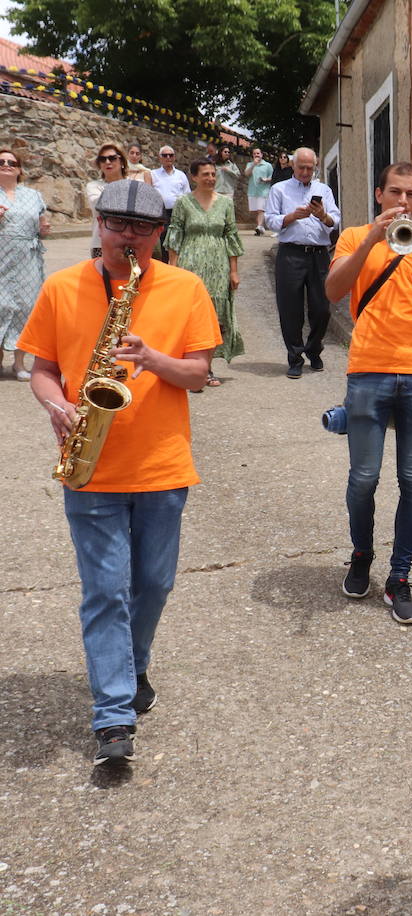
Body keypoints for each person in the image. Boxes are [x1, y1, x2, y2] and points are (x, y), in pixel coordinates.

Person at [18, 179, 220, 766]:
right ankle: (112, 714)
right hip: (92, 467)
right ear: (97, 224)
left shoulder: (186, 288)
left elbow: (199, 374)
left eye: (139, 228)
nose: (124, 237)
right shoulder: (61, 287)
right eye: (114, 224)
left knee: (152, 585)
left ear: (159, 233)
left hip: (162, 465)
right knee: (106, 590)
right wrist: (56, 405)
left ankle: (134, 668)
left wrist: (153, 358)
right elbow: (43, 369)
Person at [326, 162, 412, 624]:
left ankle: (399, 577)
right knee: (363, 477)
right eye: (396, 193)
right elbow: (334, 290)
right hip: (367, 370)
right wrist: (369, 241)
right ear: (379, 194)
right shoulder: (352, 237)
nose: (404, 202)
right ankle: (362, 554)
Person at [166, 158, 245, 386]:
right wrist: (173, 267)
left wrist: (233, 271)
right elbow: (175, 234)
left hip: (218, 268)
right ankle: (189, 368)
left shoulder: (225, 203)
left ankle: (206, 369)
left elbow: (231, 235)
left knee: (215, 319)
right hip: (190, 267)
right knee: (190, 317)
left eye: (213, 174)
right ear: (194, 177)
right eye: (205, 174)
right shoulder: (183, 202)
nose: (210, 178)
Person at [265, 147, 339, 378]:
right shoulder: (279, 189)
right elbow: (269, 220)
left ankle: (314, 349)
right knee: (290, 308)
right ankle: (295, 357)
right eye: (301, 167)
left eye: (310, 168)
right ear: (292, 166)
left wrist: (322, 216)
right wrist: (291, 217)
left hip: (318, 254)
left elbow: (335, 220)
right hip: (290, 253)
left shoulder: (323, 190)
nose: (306, 172)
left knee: (322, 308)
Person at [0, 148, 50, 380]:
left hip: (27, 260)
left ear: (19, 169)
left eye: (12, 162)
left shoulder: (33, 195)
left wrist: (44, 229)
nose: (6, 164)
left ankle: (19, 364)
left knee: (25, 307)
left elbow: (42, 226)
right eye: (1, 161)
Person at [84, 143, 129, 259]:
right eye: (102, 159)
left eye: (112, 158)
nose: (108, 162)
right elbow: (99, 206)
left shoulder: (134, 185)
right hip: (101, 244)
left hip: (129, 242)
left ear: (122, 162)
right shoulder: (93, 186)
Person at [245, 148, 275, 236]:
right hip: (252, 191)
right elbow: (246, 173)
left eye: (258, 153)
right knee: (256, 211)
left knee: (260, 210)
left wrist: (266, 180)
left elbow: (273, 177)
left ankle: (259, 226)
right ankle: (261, 227)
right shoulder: (250, 164)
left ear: (262, 155)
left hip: (264, 191)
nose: (256, 155)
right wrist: (253, 164)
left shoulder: (267, 165)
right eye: (254, 153)